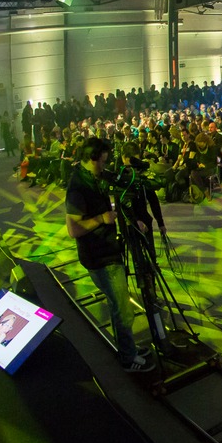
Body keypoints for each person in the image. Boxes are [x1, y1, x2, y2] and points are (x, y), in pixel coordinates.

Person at [65, 137, 155, 373]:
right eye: (102, 161)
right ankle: (128, 358)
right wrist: (102, 219)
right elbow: (73, 229)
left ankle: (129, 349)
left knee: (119, 305)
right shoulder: (78, 188)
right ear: (91, 159)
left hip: (108, 250)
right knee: (122, 307)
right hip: (99, 256)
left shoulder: (94, 177)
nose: (105, 166)